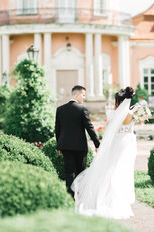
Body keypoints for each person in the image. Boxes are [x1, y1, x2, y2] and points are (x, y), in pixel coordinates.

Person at [71, 86, 137, 219]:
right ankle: (114, 199)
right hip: (126, 143)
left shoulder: (118, 113)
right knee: (121, 170)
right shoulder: (130, 113)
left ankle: (105, 197)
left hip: (117, 142)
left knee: (112, 168)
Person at [55, 85, 100, 198]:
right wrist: (97, 144)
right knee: (81, 173)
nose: (84, 98)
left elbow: (57, 129)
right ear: (77, 95)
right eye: (83, 95)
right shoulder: (82, 109)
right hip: (80, 147)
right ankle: (80, 196)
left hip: (65, 146)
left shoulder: (60, 109)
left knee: (69, 173)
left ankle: (70, 199)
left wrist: (59, 146)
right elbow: (89, 128)